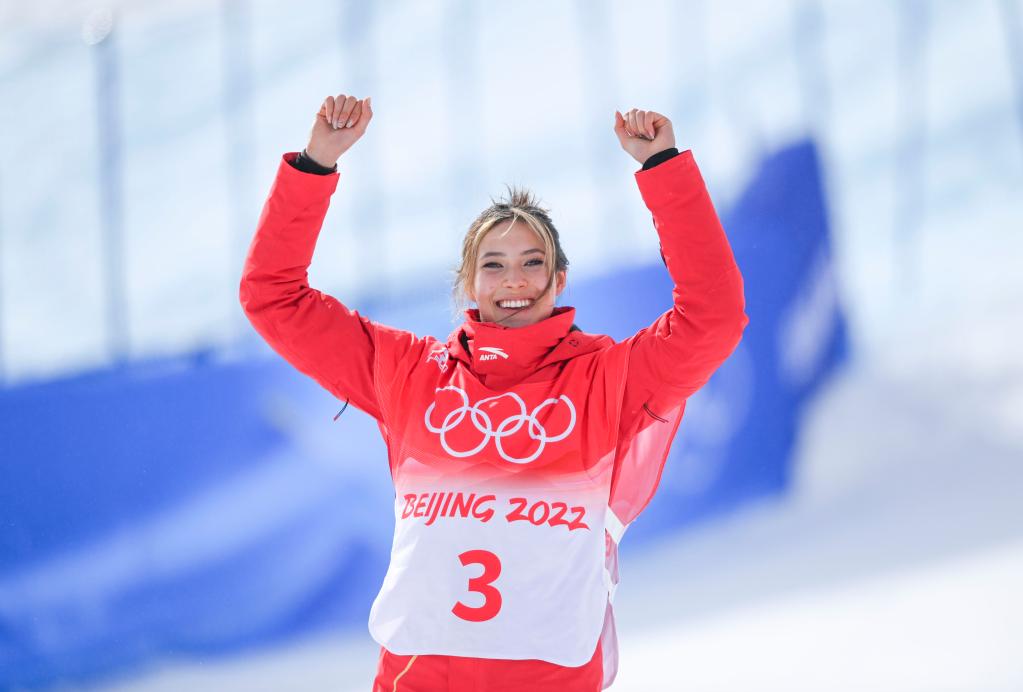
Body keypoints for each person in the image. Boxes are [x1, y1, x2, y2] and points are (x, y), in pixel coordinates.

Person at [240, 92, 748, 691]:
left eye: (533, 263)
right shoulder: (409, 372)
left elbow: (712, 317)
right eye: (494, 265)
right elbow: (273, 296)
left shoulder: (605, 379)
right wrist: (316, 163)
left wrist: (663, 168)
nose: (514, 281)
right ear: (467, 283)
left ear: (559, 280)